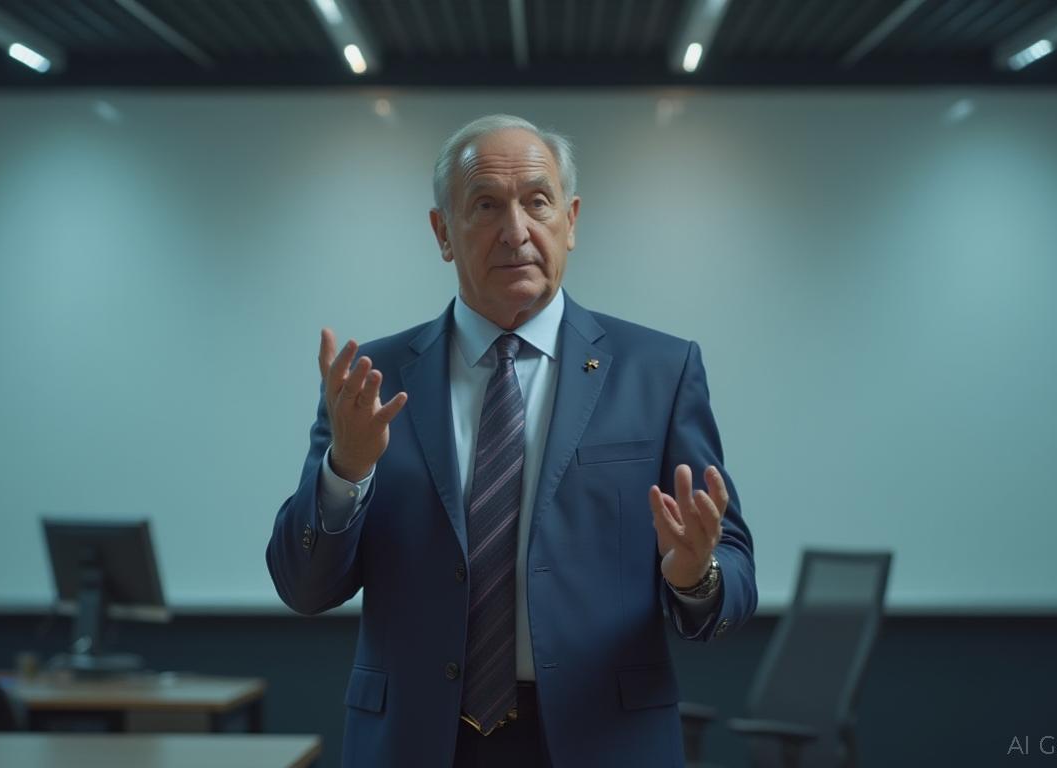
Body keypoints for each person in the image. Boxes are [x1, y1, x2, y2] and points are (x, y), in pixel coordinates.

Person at [267, 114, 755, 768]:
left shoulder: (659, 371)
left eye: (537, 202)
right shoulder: (372, 381)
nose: (516, 230)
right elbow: (303, 587)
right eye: (486, 205)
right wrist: (346, 471)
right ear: (443, 232)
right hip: (416, 743)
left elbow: (734, 568)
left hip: (603, 741)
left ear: (570, 220)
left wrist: (696, 576)